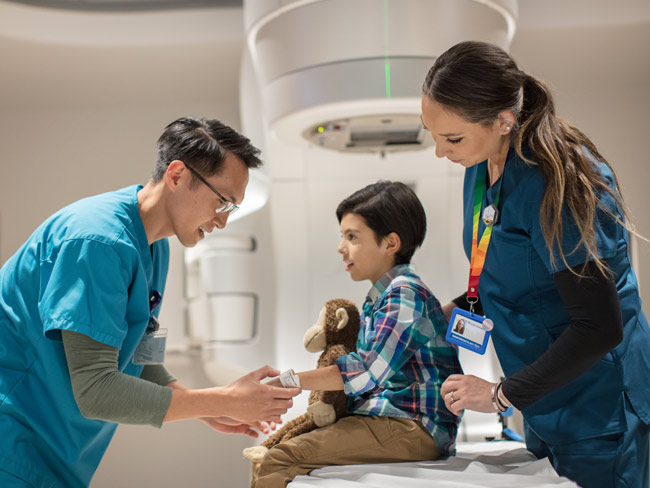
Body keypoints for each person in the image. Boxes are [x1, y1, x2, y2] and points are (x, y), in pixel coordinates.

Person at [0, 117, 300, 488]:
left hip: (53, 454)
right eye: (222, 202)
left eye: (232, 208)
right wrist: (221, 398)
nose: (222, 221)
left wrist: (207, 405)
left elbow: (139, 356)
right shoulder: (98, 242)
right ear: (176, 175)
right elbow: (97, 391)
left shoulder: (156, 247)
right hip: (14, 442)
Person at [420, 40, 650, 488]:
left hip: (596, 410)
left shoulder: (557, 181)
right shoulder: (481, 164)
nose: (439, 152)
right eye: (431, 134)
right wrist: (435, 319)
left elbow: (599, 325)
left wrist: (500, 396)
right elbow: (503, 278)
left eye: (451, 138)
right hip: (545, 401)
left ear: (504, 120)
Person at [251, 181, 463, 488]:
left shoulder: (404, 296)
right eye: (342, 236)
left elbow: (363, 373)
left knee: (280, 458)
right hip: (393, 419)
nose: (341, 247)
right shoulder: (381, 297)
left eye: (352, 236)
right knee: (275, 450)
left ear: (390, 243)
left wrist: (288, 381)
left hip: (415, 425)